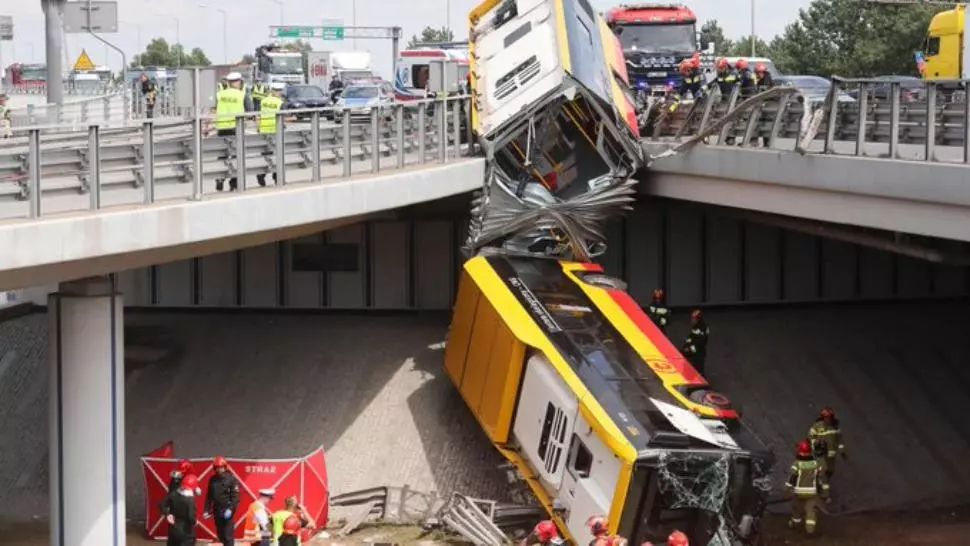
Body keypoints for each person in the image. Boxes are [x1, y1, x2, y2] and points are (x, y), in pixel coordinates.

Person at [786, 439, 829, 534]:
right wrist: (821, 491)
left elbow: (792, 477)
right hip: (811, 493)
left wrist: (788, 489)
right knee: (811, 512)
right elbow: (819, 478)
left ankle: (795, 524)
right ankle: (810, 530)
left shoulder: (797, 464)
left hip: (799, 492)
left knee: (797, 509)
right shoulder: (815, 464)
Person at [214, 72, 248, 192]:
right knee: (236, 155)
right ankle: (234, 182)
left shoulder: (219, 94)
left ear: (228, 82)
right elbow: (250, 110)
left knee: (222, 154)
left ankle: (219, 178)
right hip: (236, 128)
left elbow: (214, 108)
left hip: (222, 128)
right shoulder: (242, 94)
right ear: (238, 81)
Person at [205, 455, 240, 546]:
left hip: (227, 510)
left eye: (221, 467)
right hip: (217, 510)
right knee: (220, 534)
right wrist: (207, 509)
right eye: (217, 468)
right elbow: (209, 496)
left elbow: (235, 497)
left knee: (228, 535)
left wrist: (231, 509)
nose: (219, 470)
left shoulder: (232, 480)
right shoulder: (213, 479)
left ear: (225, 467)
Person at [257, 82, 286, 187]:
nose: (280, 93)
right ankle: (277, 178)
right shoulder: (280, 103)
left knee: (266, 156)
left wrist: (258, 128)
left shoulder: (263, 101)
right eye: (279, 91)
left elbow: (259, 115)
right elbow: (283, 117)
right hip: (275, 131)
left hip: (264, 131)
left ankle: (261, 174)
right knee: (278, 156)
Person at [809, 406, 846, 480]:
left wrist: (842, 451)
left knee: (831, 470)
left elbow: (839, 439)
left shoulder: (835, 427)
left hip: (831, 454)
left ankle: (825, 479)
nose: (828, 419)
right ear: (823, 417)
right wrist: (815, 444)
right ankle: (814, 480)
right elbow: (811, 436)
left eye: (830, 417)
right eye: (826, 417)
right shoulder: (817, 426)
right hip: (821, 452)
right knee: (820, 467)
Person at [161, 473, 198, 546]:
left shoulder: (174, 494)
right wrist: (195, 522)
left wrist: (167, 514)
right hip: (186, 533)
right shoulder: (190, 500)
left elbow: (162, 504)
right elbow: (191, 517)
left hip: (173, 529)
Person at [681, 310, 710, 374]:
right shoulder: (695, 327)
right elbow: (691, 337)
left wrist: (690, 349)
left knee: (698, 370)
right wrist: (686, 346)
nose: (692, 320)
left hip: (699, 352)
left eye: (693, 319)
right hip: (693, 350)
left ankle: (701, 382)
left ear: (698, 319)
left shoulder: (703, 328)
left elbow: (700, 343)